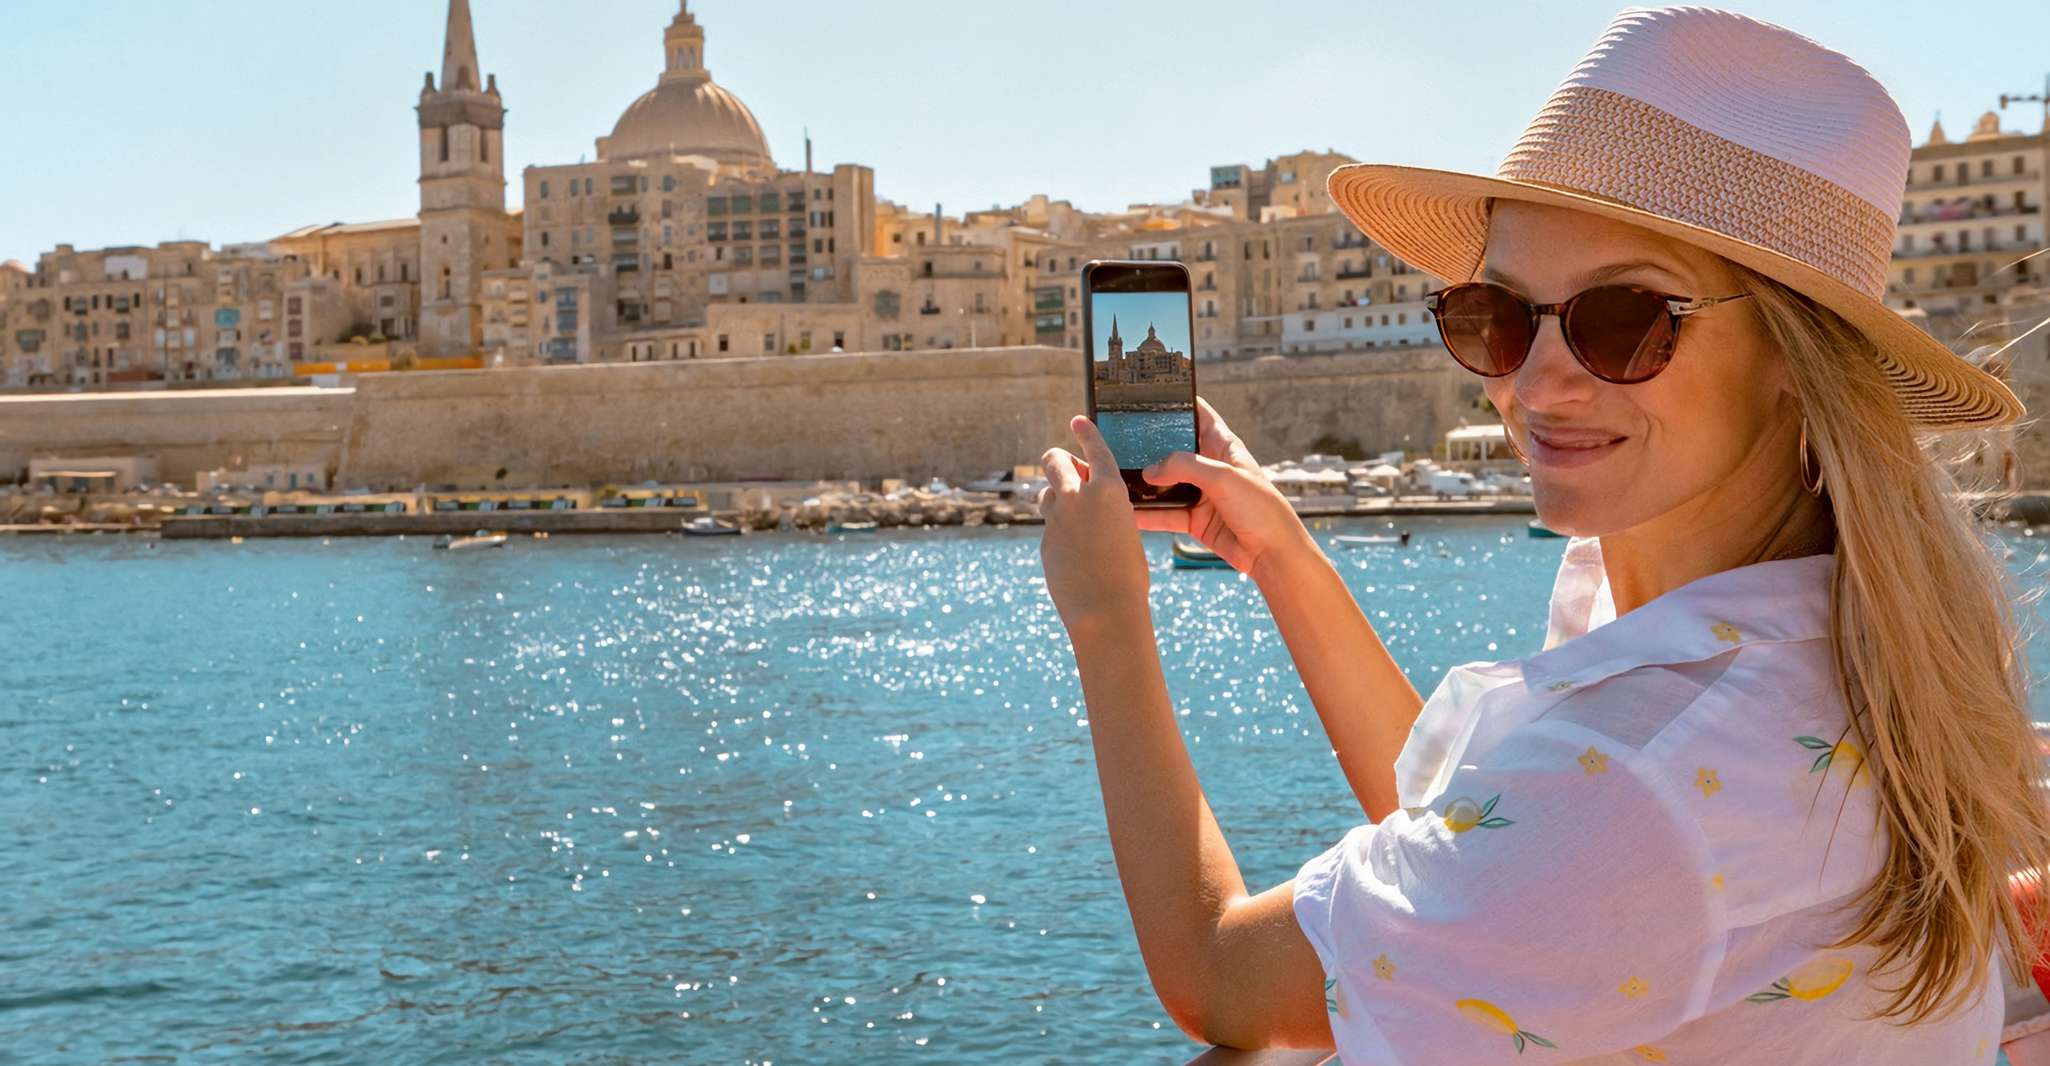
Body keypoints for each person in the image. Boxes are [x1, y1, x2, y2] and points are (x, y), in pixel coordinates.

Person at [1035, 6, 2050, 1063]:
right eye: (1498, 316)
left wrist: (1106, 615)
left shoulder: (1644, 777)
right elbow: (1492, 849)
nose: (1532, 381)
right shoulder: (1822, 639)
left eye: (1625, 321)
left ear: (1794, 356)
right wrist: (1281, 560)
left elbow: (1222, 979)